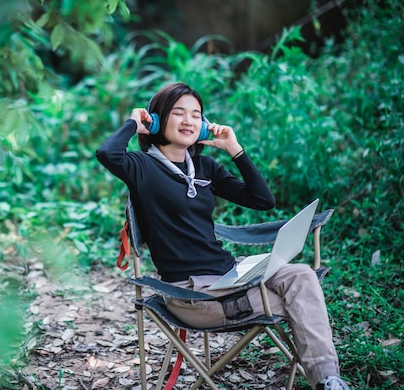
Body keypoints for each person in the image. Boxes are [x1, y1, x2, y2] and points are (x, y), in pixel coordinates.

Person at [95, 82, 350, 390]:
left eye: (196, 114)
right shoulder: (141, 165)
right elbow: (106, 153)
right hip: (193, 295)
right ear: (158, 119)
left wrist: (234, 148)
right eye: (178, 113)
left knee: (302, 276)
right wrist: (134, 123)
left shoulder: (204, 166)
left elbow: (262, 201)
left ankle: (329, 381)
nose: (189, 121)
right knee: (302, 301)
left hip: (231, 276)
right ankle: (326, 379)